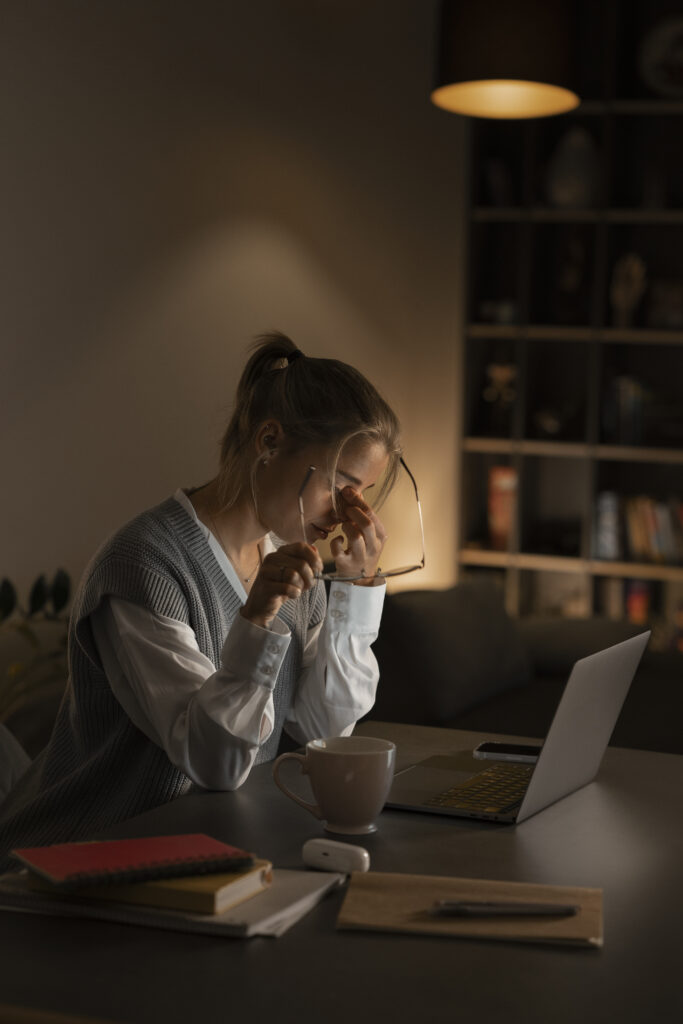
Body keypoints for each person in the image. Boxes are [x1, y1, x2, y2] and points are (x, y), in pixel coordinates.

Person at [0, 332, 403, 867]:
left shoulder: (284, 560)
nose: (343, 515)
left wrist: (355, 592)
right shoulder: (144, 565)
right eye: (338, 486)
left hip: (210, 855)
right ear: (269, 441)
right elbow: (214, 762)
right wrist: (255, 618)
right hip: (88, 858)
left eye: (361, 496)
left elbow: (320, 732)